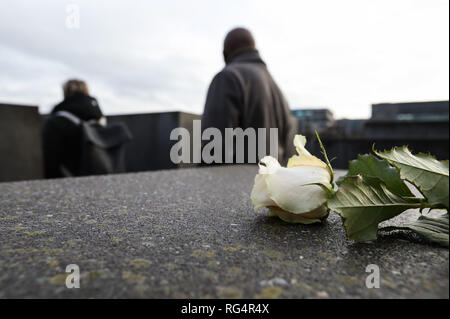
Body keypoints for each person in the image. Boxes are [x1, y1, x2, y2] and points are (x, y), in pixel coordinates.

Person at [201, 27, 295, 164]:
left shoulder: (227, 78)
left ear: (225, 54)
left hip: (239, 183)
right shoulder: (276, 88)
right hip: (272, 183)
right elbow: (289, 148)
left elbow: (213, 152)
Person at [42, 79, 106, 178]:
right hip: (101, 174)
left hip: (70, 177)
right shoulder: (99, 117)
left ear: (65, 92)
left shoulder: (58, 120)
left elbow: (50, 159)